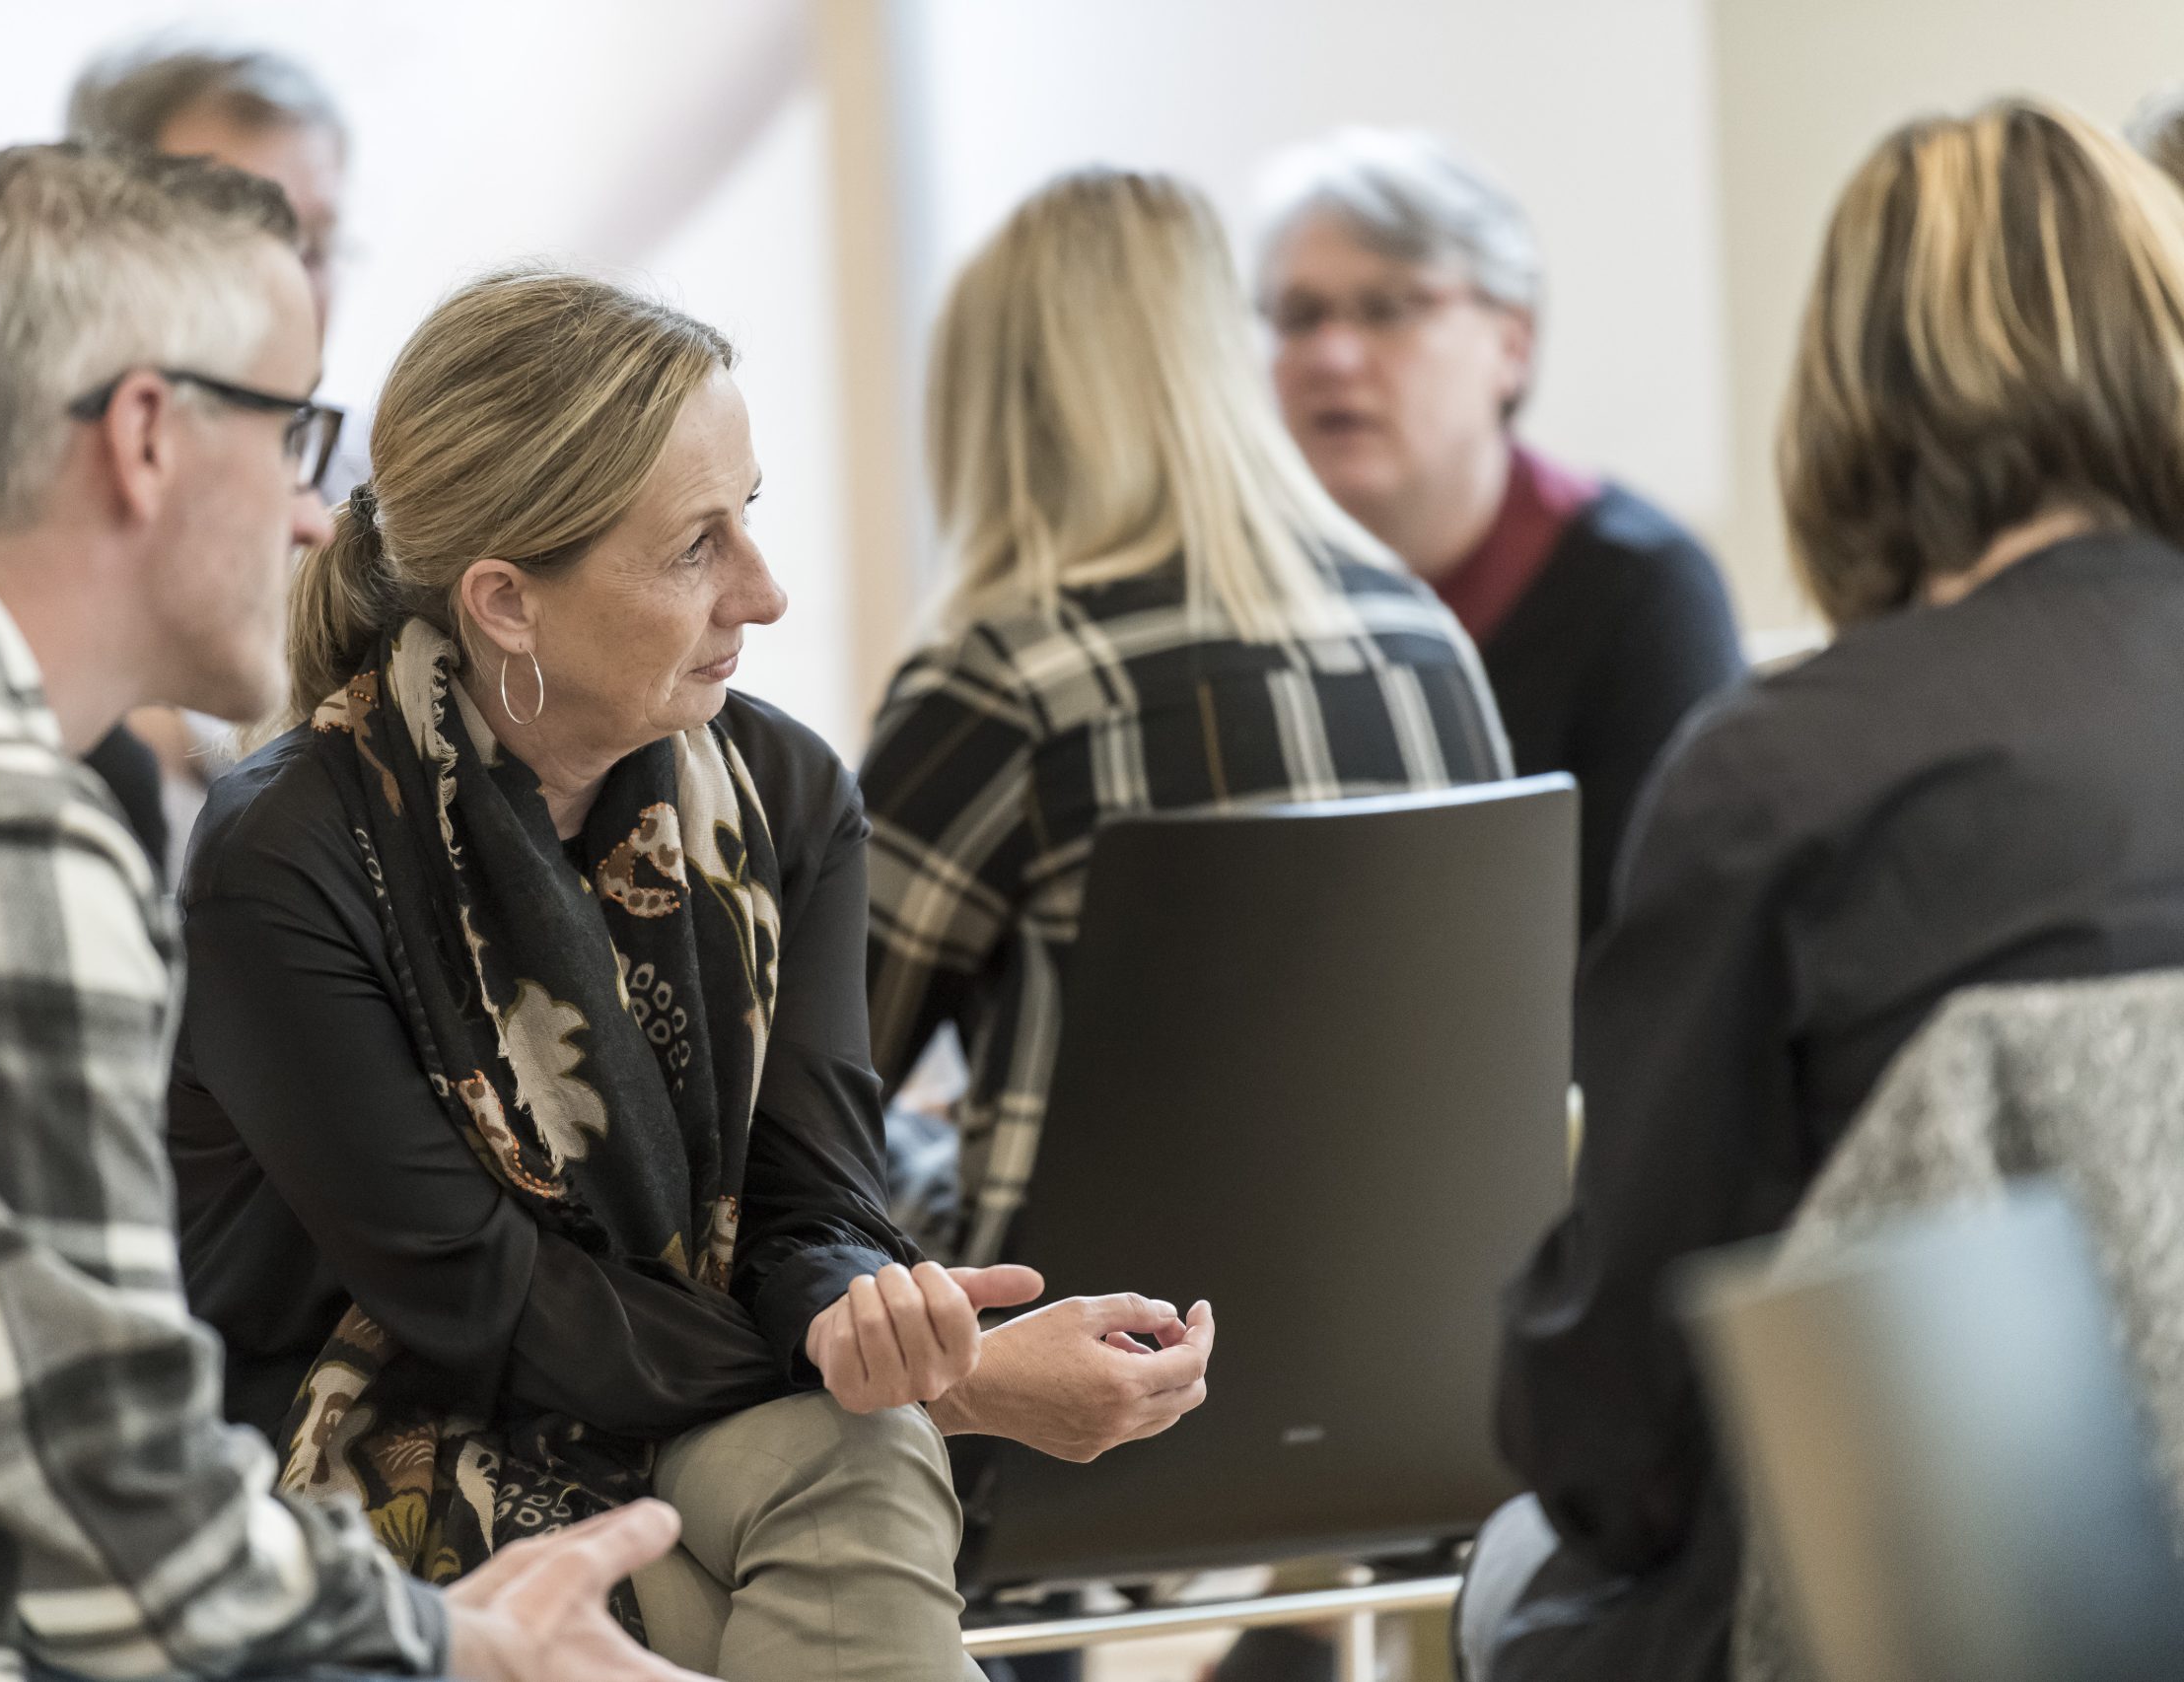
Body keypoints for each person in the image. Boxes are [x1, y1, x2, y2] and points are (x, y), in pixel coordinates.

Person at [0, 143, 693, 1682]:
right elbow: (125, 1551)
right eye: (296, 435)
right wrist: (465, 1647)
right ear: (146, 434)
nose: (310, 519)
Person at [166, 265, 1217, 1681]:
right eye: (694, 548)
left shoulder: (785, 789)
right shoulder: (282, 853)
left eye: (753, 517)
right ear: (506, 602)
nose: (765, 593)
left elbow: (812, 1202)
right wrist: (948, 1379)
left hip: (665, 1407)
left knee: (855, 1444)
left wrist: (871, 1311)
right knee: (854, 1459)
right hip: (351, 1446)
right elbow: (484, 1302)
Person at [1468, 99, 2184, 1682]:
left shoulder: (1783, 777)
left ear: (1855, 395)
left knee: (1521, 1574)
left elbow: (1613, 1431)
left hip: (1927, 1618)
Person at [863, 168, 1510, 1272]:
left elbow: (794, 1106)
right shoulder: (1427, 647)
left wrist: (931, 1145)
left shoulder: (1003, 685)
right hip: (1438, 1396)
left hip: (1095, 1397)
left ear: (994, 407)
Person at [1257, 128, 1743, 943]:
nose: (1333, 357)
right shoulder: (1229, 600)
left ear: (1511, 346)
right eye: (1300, 316)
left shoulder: (1640, 590)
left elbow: (1672, 949)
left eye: (1388, 309)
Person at [69, 37, 363, 882]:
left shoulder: (401, 482)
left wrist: (203, 735)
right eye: (255, 241)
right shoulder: (33, 478)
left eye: (317, 247)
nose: (298, 291)